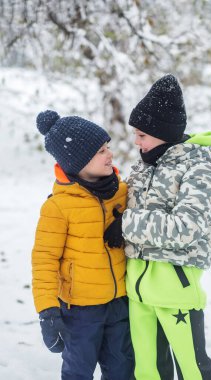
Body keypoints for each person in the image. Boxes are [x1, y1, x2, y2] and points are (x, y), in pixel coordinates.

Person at [122, 74, 211, 380]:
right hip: (139, 289)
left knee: (192, 369)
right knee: (148, 369)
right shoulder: (148, 164)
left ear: (163, 133)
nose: (136, 141)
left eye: (142, 134)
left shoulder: (200, 166)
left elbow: (187, 226)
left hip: (175, 290)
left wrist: (124, 225)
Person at [31, 110, 134, 380]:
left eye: (108, 147)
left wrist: (125, 220)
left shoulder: (122, 192)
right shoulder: (58, 206)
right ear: (77, 160)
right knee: (78, 371)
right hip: (79, 312)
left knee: (123, 371)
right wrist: (47, 310)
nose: (110, 154)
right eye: (101, 150)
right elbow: (44, 259)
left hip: (118, 303)